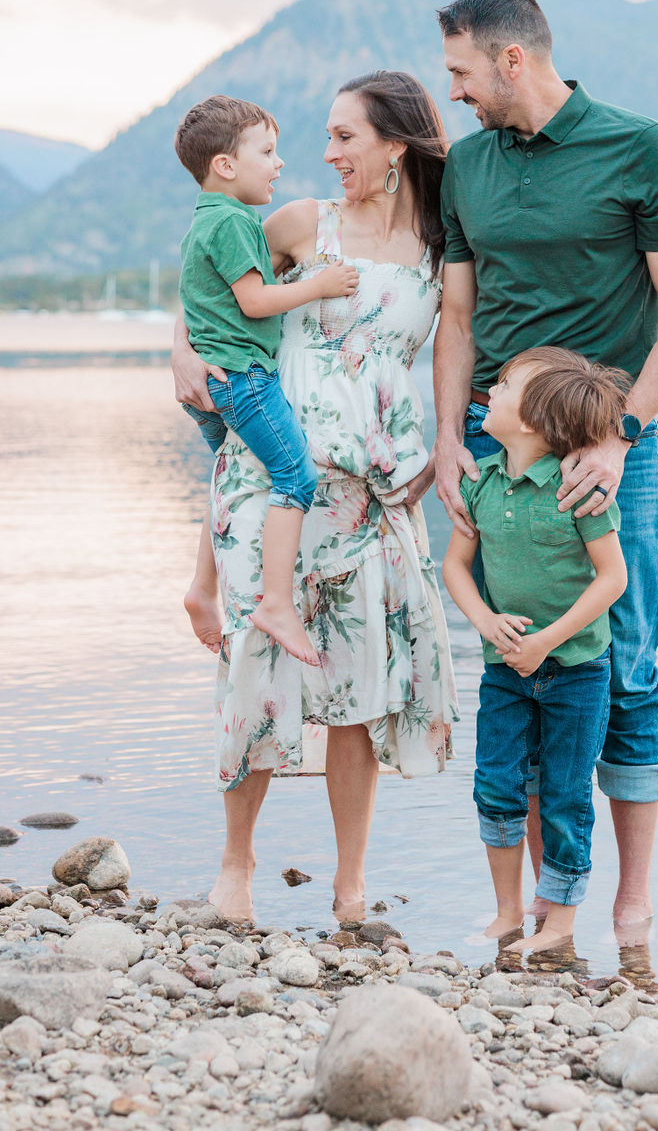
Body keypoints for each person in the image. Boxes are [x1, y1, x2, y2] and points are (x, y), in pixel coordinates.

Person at [433, 0, 658, 936]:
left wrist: (618, 432)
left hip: (610, 448)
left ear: (513, 59)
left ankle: (631, 901)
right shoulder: (465, 166)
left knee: (623, 663)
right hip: (493, 445)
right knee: (520, 662)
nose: (456, 92)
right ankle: (556, 902)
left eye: (463, 71)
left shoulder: (638, 147)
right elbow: (459, 320)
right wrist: (445, 438)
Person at [172, 70, 458, 923]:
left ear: (395, 145)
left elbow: (454, 353)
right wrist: (180, 351)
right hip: (277, 479)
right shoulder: (303, 223)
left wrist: (442, 447)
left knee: (361, 687)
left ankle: (350, 883)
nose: (327, 153)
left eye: (344, 137)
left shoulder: (444, 246)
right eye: (326, 137)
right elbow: (211, 281)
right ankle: (236, 864)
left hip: (374, 492)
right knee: (255, 672)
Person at [443, 347, 629, 954]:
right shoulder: (481, 483)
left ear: (532, 422)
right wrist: (486, 621)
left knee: (566, 796)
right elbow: (455, 567)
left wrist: (547, 640)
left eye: (503, 385)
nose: (489, 391)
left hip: (576, 671)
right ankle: (508, 912)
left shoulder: (578, 491)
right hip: (504, 671)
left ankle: (561, 927)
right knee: (496, 785)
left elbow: (613, 579)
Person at [174, 94, 358, 667]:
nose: (279, 164)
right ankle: (276, 603)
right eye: (268, 152)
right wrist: (319, 285)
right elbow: (254, 301)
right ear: (226, 165)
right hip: (245, 380)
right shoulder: (233, 221)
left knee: (230, 473)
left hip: (220, 383)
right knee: (295, 474)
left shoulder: (211, 218)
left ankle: (202, 590)